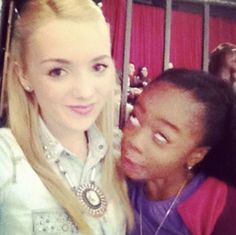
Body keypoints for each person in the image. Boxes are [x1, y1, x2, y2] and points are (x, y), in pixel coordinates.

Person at [0, 0, 133, 234]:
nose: (84, 91)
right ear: (24, 76)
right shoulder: (7, 156)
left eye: (98, 67)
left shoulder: (122, 152)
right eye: (58, 71)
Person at [120, 68, 236, 235]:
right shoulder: (116, 181)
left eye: (160, 137)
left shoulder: (219, 208)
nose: (134, 141)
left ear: (196, 156)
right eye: (135, 118)